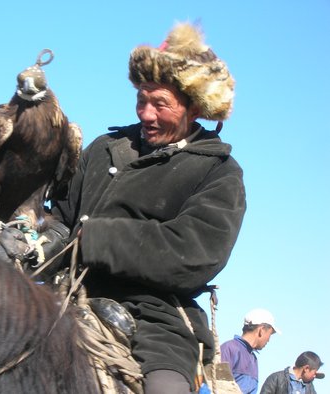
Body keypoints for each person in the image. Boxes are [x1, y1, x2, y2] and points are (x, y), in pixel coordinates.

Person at [44, 21, 246, 394]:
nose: (146, 114)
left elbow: (195, 253)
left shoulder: (218, 172)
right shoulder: (105, 146)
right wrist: (39, 239)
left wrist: (95, 238)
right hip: (64, 293)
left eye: (161, 104)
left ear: (195, 107)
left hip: (155, 319)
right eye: (141, 98)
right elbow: (62, 215)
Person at [221, 309, 280, 393]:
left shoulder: (253, 359)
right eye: (269, 334)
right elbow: (214, 384)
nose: (269, 340)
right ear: (261, 330)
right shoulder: (229, 348)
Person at [260, 351, 324, 394]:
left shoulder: (310, 388)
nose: (314, 376)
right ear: (306, 368)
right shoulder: (276, 378)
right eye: (314, 372)